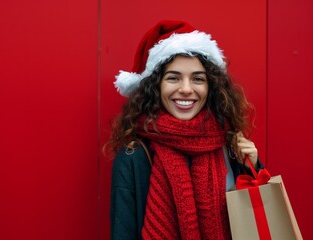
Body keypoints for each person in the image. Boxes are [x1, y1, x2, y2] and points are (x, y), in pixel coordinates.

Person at [106, 20, 264, 240]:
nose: (187, 89)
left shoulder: (230, 146)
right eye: (173, 78)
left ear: (211, 87)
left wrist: (253, 167)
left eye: (198, 79)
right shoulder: (133, 155)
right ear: (155, 86)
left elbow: (255, 223)